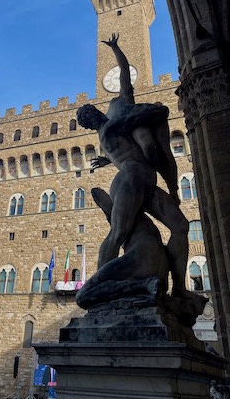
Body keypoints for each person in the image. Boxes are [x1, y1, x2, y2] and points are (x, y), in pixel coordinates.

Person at [77, 33, 189, 298]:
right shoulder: (111, 126)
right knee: (118, 233)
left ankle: (180, 288)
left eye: (91, 112)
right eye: (90, 115)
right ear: (93, 118)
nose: (94, 114)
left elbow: (126, 77)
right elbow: (131, 107)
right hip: (129, 179)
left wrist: (116, 49)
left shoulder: (110, 131)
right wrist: (151, 112)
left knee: (181, 227)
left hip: (145, 180)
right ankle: (99, 288)